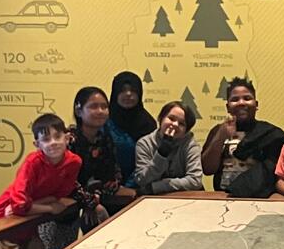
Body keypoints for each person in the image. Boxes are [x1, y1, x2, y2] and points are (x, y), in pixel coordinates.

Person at [0, 113, 81, 249]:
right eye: (46, 139)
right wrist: (49, 208)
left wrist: (33, 205)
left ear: (67, 138)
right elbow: (18, 205)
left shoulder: (73, 162)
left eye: (57, 136)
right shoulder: (32, 162)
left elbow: (59, 195)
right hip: (4, 223)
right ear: (37, 144)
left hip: (29, 222)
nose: (53, 142)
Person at [201, 78, 284, 198]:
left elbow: (277, 175)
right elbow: (207, 170)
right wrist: (220, 137)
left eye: (247, 98)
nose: (241, 103)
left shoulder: (270, 134)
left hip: (259, 198)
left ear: (256, 104)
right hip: (223, 196)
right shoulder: (218, 131)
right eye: (235, 99)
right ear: (227, 107)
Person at [68, 85, 134, 224]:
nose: (100, 111)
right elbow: (67, 182)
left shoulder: (104, 138)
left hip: (93, 198)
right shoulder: (69, 140)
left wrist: (96, 195)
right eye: (93, 106)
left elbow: (113, 175)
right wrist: (90, 202)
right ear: (79, 111)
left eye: (104, 107)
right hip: (63, 204)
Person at [133, 101, 204, 194]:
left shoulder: (190, 145)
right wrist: (161, 154)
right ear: (161, 118)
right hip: (154, 197)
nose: (175, 124)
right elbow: (142, 180)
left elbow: (195, 181)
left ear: (186, 131)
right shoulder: (144, 143)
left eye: (181, 124)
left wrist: (159, 186)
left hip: (184, 196)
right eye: (171, 118)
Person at [105, 72, 157, 186]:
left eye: (133, 90)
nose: (128, 94)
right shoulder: (104, 121)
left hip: (141, 186)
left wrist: (130, 187)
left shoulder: (148, 124)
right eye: (123, 90)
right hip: (106, 187)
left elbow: (151, 162)